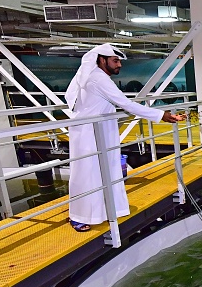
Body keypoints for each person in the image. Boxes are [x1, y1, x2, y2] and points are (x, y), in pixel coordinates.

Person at [64, 43, 185, 232]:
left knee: (100, 174)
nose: (119, 64)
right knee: (86, 175)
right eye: (115, 60)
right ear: (102, 60)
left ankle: (100, 212)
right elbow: (127, 104)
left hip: (98, 133)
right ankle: (77, 216)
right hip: (90, 135)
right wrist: (162, 115)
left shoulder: (97, 77)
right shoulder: (97, 78)